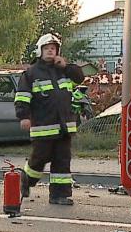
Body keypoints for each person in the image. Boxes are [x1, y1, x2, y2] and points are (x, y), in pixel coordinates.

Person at [14, 33, 85, 206]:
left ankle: (59, 195)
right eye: (47, 48)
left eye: (53, 49)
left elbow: (79, 77)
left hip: (64, 127)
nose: (50, 51)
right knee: (39, 159)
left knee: (62, 161)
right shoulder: (31, 74)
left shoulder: (64, 70)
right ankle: (26, 180)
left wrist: (66, 65)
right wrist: (23, 116)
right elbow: (22, 96)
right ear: (40, 51)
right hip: (43, 127)